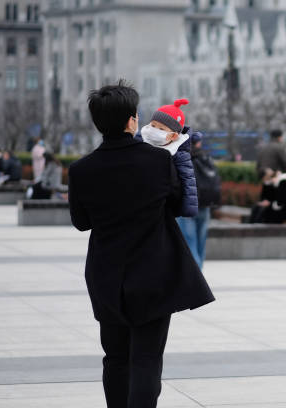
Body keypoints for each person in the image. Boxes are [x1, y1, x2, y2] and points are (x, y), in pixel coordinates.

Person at [68, 80, 214, 408]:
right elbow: (179, 205)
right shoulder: (159, 161)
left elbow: (81, 222)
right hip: (153, 274)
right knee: (146, 359)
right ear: (132, 119)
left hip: (107, 276)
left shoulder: (81, 170)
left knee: (115, 357)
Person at [140, 99, 198, 218]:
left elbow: (188, 180)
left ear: (174, 136)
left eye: (161, 129)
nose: (154, 130)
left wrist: (188, 208)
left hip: (165, 207)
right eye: (153, 125)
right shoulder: (139, 140)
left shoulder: (180, 154)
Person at [177, 131, 221, 269]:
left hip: (187, 207)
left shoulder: (182, 157)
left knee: (190, 243)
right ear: (198, 143)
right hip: (206, 205)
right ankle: (199, 270)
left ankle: (196, 274)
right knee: (201, 243)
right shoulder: (206, 158)